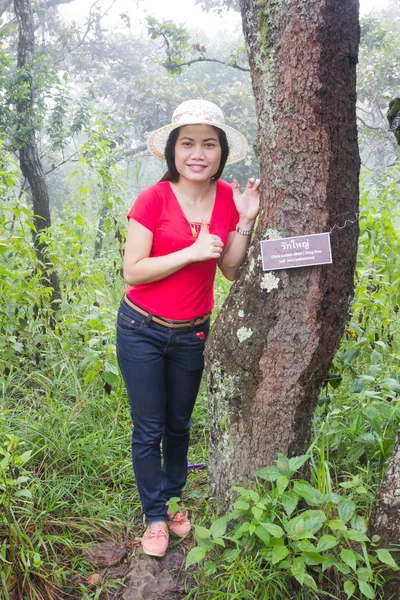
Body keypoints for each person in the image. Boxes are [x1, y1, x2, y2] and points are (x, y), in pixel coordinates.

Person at [116, 99, 260, 557]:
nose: (198, 153)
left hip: (192, 333)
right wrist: (191, 251)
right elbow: (133, 271)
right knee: (149, 427)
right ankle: (155, 518)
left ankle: (174, 503)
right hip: (141, 328)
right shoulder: (153, 199)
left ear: (221, 153)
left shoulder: (225, 200)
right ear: (173, 151)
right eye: (188, 143)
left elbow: (232, 270)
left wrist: (245, 220)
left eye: (209, 144)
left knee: (179, 426)